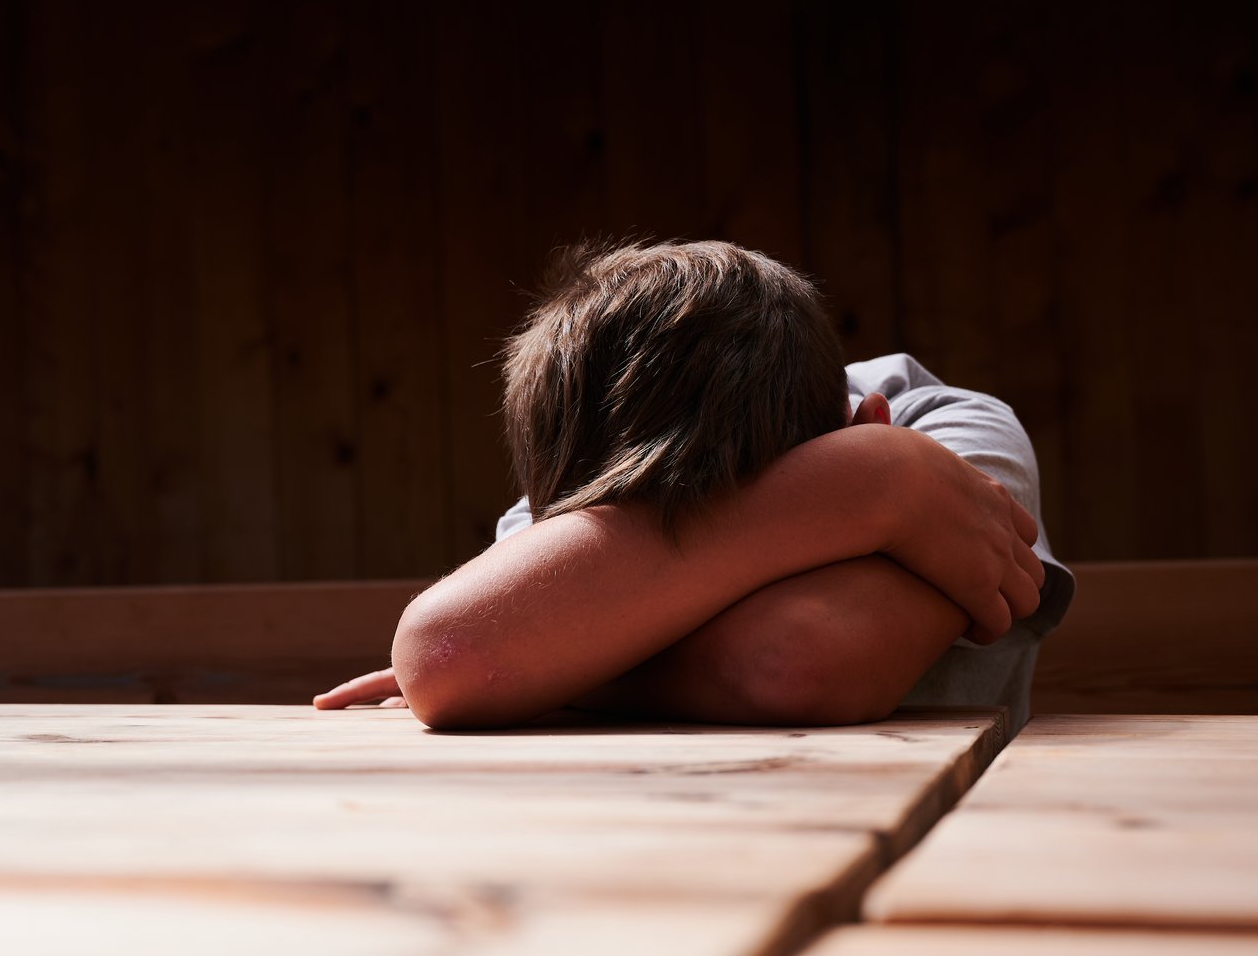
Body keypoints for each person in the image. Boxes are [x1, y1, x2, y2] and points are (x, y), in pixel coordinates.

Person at [314, 239, 1073, 732]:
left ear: (863, 419)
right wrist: (871, 487)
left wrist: (543, 664)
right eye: (630, 525)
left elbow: (786, 663)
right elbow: (448, 653)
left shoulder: (946, 435)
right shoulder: (597, 477)